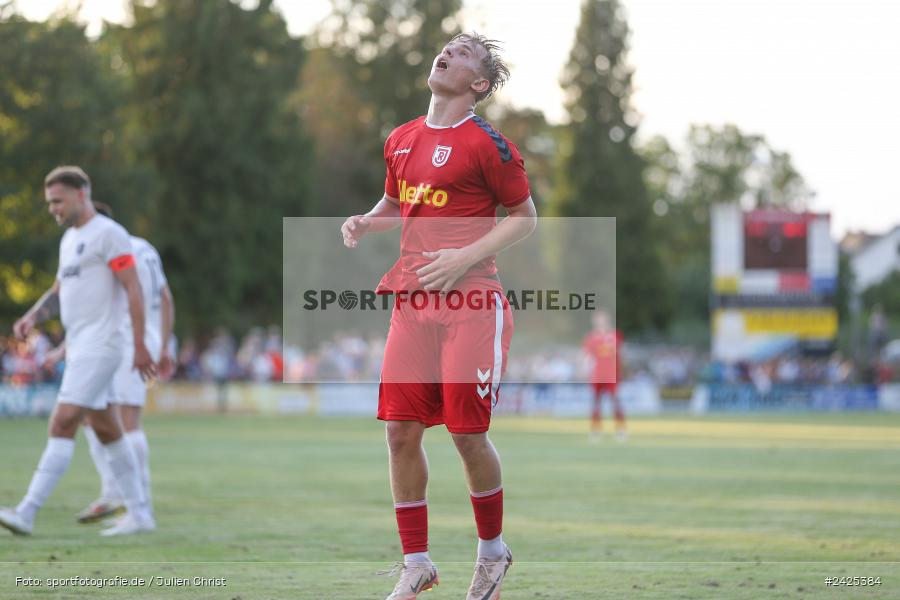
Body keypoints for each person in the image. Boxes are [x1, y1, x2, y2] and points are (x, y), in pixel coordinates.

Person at [341, 32, 537, 600]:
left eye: (464, 53)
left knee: (467, 434)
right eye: (447, 46)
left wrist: (465, 256)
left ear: (479, 84)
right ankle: (418, 563)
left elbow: (524, 217)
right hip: (413, 301)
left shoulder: (489, 145)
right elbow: (397, 204)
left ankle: (492, 554)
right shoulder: (401, 137)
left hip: (473, 302)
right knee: (400, 432)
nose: (447, 52)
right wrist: (363, 220)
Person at [0, 166, 156, 537]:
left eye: (58, 201)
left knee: (62, 420)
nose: (53, 208)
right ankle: (140, 514)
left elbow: (134, 289)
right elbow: (59, 290)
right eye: (49, 203)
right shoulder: (69, 240)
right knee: (107, 430)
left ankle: (26, 511)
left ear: (81, 194)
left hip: (103, 346)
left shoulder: (109, 234)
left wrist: (139, 345)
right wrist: (32, 317)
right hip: (82, 345)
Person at [42, 202, 176, 525]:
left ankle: (135, 503)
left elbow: (99, 306)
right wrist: (164, 344)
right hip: (142, 337)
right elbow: (167, 298)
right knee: (94, 416)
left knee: (125, 420)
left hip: (127, 337)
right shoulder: (146, 248)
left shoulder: (109, 249)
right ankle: (118, 494)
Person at [582, 310, 626, 441]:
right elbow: (586, 356)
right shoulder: (591, 338)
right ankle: (596, 430)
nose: (600, 322)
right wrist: (585, 370)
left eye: (602, 319)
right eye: (597, 320)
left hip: (612, 374)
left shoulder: (615, 335)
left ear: (607, 320)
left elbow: (621, 354)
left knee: (615, 401)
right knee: (596, 403)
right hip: (597, 375)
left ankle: (620, 430)